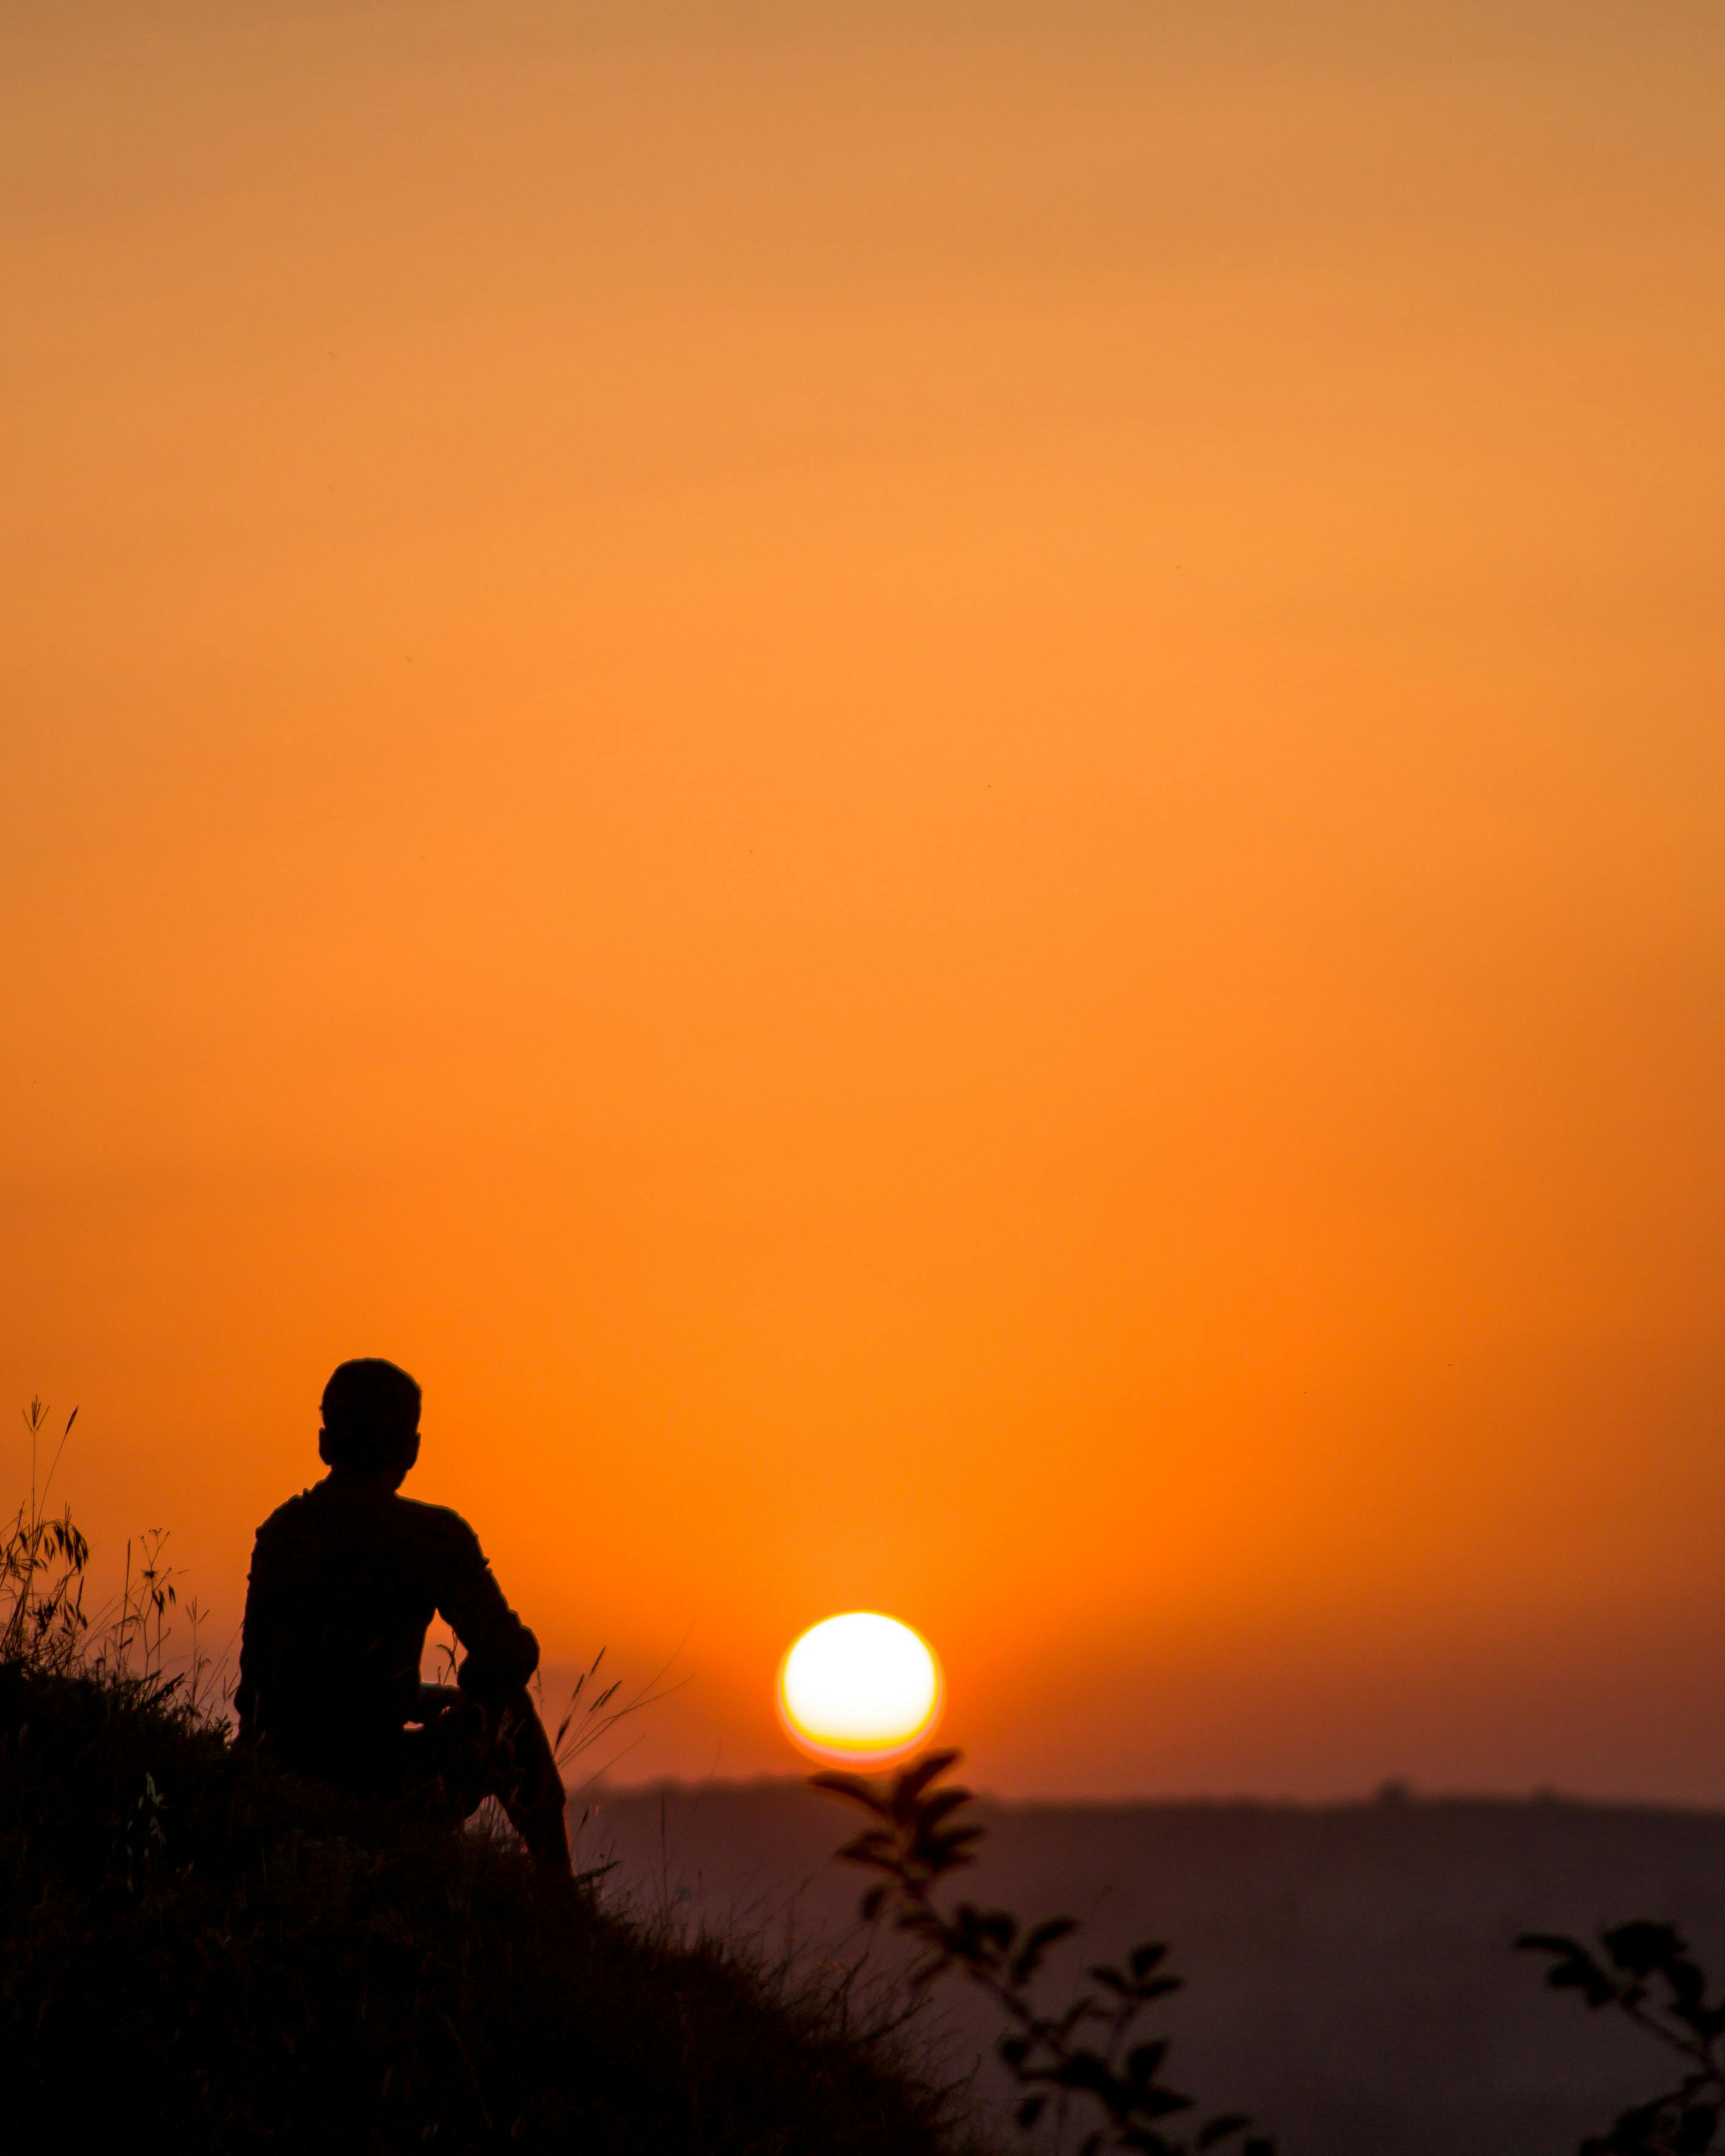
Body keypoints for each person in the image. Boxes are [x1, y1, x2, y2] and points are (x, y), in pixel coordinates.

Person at [235, 1357, 572, 1874]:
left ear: (326, 1442)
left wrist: (420, 1697)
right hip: (378, 1789)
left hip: (276, 1774)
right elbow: (508, 1654)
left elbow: (267, 1686)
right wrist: (474, 1691)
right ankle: (560, 1899)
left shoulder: (283, 1532)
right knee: (512, 1712)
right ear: (411, 1449)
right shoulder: (432, 1537)